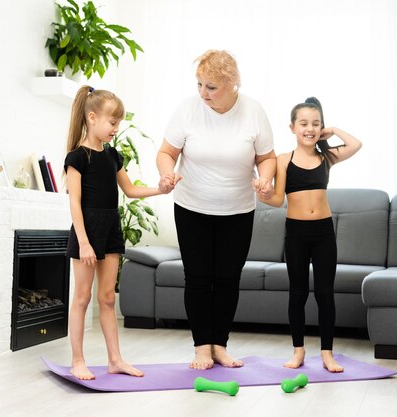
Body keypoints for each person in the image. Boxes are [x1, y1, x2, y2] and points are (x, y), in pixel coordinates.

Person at [157, 50, 277, 370]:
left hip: (238, 210)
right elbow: (167, 152)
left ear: (232, 84)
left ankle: (220, 345)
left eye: (211, 87)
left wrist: (265, 179)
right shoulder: (188, 110)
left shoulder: (253, 111)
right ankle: (201, 347)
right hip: (191, 205)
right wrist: (167, 173)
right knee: (197, 277)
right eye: (199, 84)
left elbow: (267, 157)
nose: (202, 93)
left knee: (227, 279)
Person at [64, 85, 171, 380]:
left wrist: (159, 189)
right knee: (83, 297)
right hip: (87, 231)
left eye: (118, 123)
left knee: (108, 298)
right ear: (92, 117)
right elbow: (74, 202)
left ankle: (115, 359)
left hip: (110, 228)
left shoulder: (112, 155)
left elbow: (130, 189)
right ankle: (77, 360)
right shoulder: (77, 157)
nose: (116, 128)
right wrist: (84, 243)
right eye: (113, 122)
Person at [259, 97, 362, 372]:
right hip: (296, 233)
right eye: (303, 123)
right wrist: (264, 194)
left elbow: (356, 144)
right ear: (292, 127)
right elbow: (278, 198)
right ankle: (298, 351)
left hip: (323, 233)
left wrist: (333, 130)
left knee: (325, 294)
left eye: (316, 124)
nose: (310, 128)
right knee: (298, 293)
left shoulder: (326, 157)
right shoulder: (283, 160)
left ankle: (327, 353)